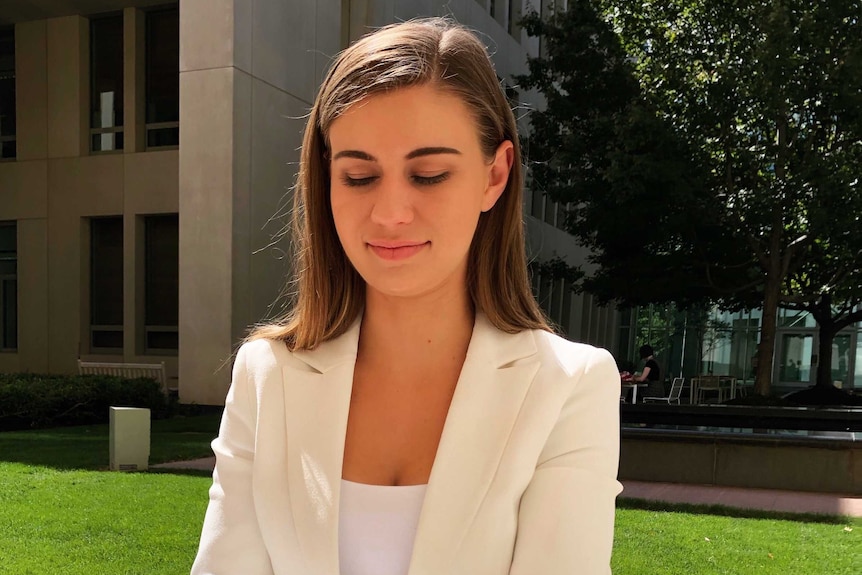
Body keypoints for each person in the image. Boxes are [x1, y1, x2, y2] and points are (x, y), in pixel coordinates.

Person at [191, 18, 621, 575]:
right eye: (359, 177)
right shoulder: (265, 376)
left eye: (429, 174)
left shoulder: (568, 387)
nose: (390, 213)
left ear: (494, 175)